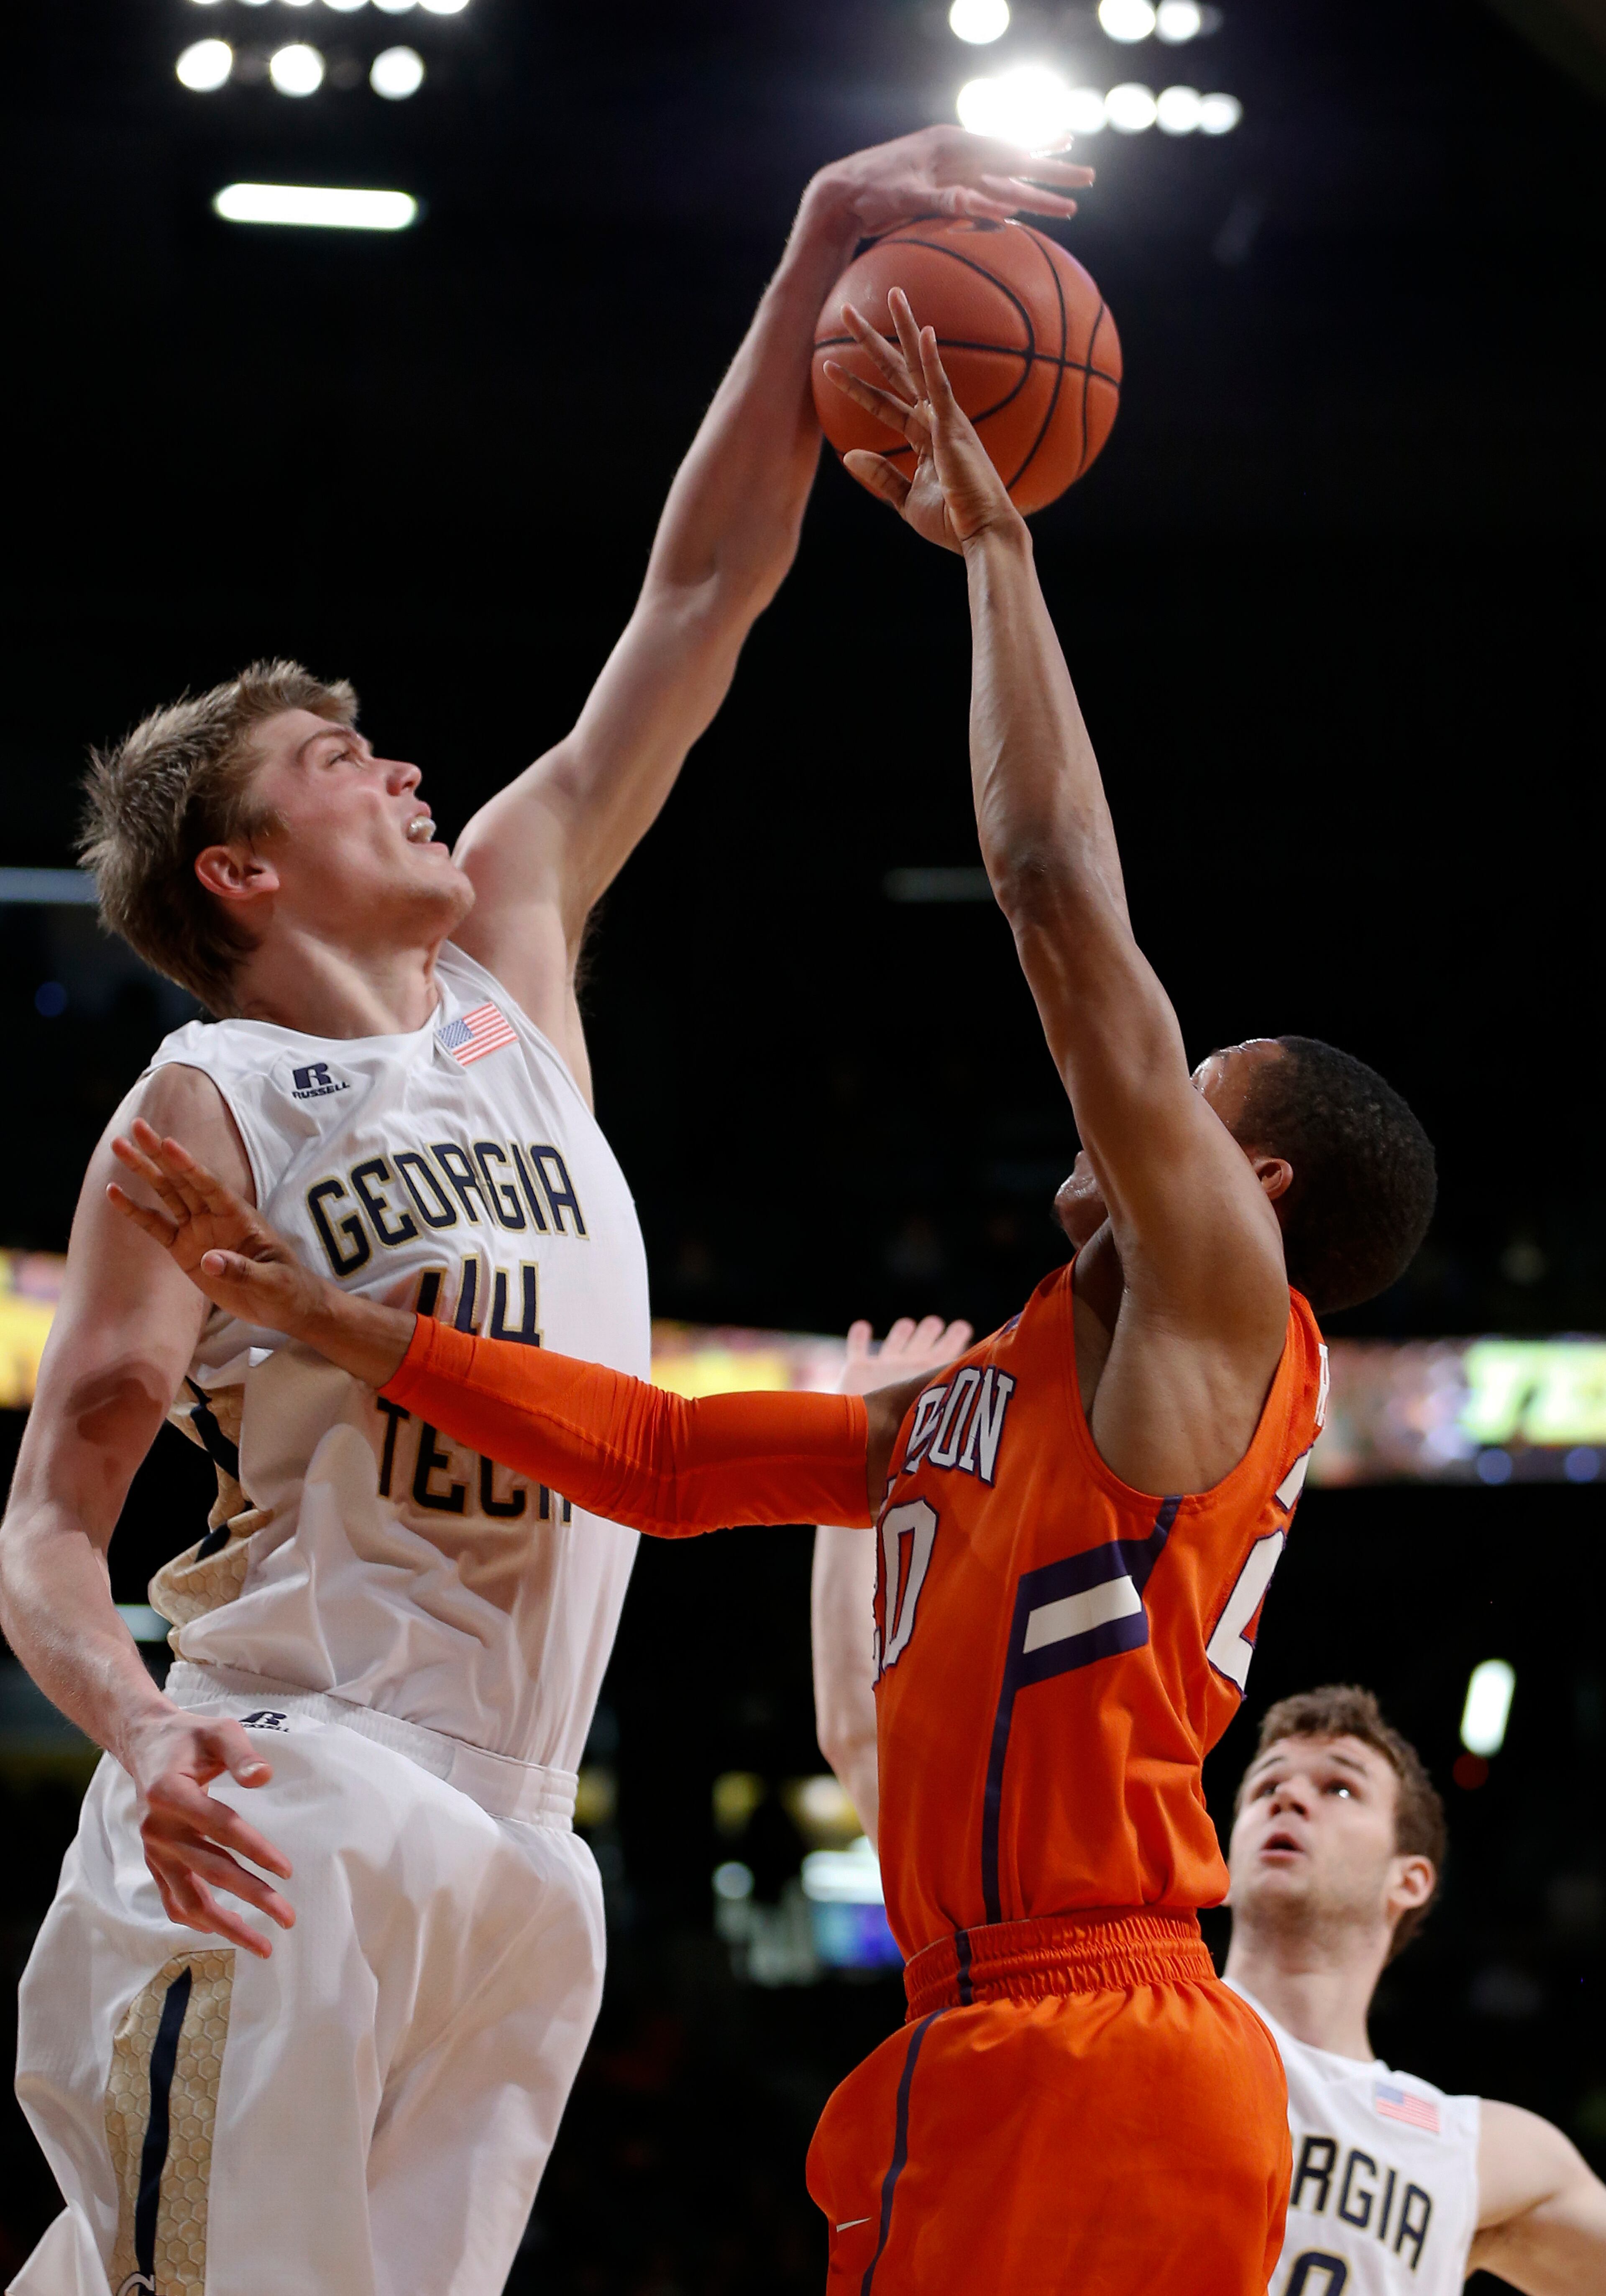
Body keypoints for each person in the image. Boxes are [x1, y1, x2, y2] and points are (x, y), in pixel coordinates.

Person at [107, 295, 1437, 2296]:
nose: (1143, 1108)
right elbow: (652, 1455)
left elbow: (1058, 891)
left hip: (1115, 2031)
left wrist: (1000, 557)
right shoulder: (994, 1401)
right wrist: (340, 1323)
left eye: (1195, 1094)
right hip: (969, 2038)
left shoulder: (1216, 1312)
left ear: (1242, 1192)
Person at [0, 134, 1096, 2296]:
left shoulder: (508, 951)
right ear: (240, 872)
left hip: (524, 1834)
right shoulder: (200, 1106)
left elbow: (701, 599)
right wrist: (136, 1730)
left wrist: (815, 246)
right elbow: (51, 1521)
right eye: (342, 762)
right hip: (297, 1785)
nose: (405, 773)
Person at [1224, 1684, 1606, 2296]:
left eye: (1339, 1787)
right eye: (1266, 1787)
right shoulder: (1138, 2026)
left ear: (1409, 1879)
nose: (1289, 1796)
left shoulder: (1474, 2152)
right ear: (1222, 1862)